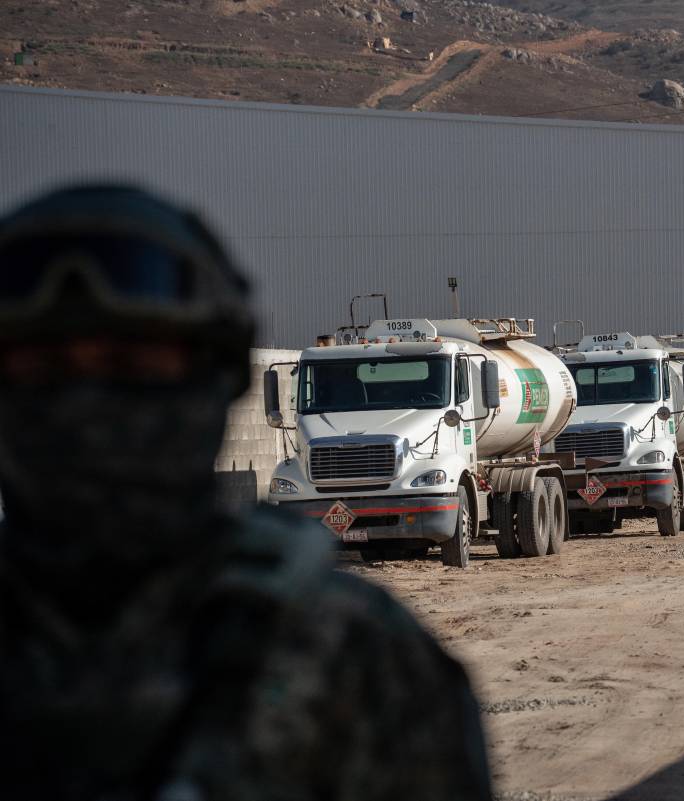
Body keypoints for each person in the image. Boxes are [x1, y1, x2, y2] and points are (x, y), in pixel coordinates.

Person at [0, 186, 493, 801]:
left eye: (135, 364)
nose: (86, 407)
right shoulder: (353, 644)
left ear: (220, 375)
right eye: (41, 368)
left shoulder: (352, 658)